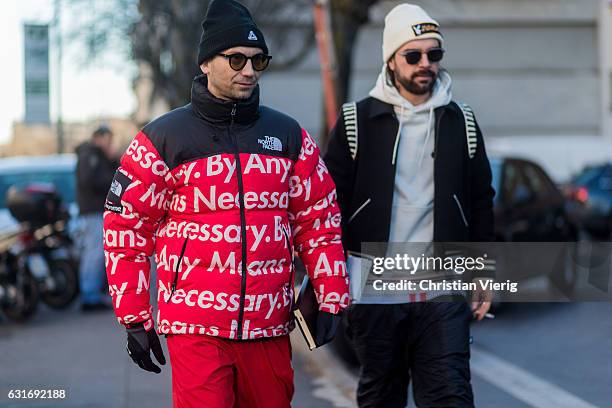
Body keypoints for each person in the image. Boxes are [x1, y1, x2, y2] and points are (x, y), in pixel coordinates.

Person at [103, 1, 349, 407]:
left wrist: (331, 295)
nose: (249, 70)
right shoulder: (162, 139)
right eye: (236, 59)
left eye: (258, 60)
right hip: (195, 326)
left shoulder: (288, 136)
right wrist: (134, 317)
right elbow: (125, 229)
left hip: (268, 326)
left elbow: (319, 220)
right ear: (206, 63)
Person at [325, 4, 496, 408]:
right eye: (413, 55)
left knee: (450, 395)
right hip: (374, 292)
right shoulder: (356, 122)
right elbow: (329, 209)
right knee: (381, 395)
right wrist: (332, 282)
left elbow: (481, 201)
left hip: (443, 288)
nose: (426, 64)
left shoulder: (462, 122)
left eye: (434, 54)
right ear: (391, 58)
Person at [75, 125, 117, 312]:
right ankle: (89, 295)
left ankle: (94, 293)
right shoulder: (89, 156)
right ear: (97, 138)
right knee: (94, 253)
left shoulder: (100, 157)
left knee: (98, 253)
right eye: (106, 138)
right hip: (93, 211)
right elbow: (90, 181)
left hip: (99, 210)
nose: (109, 142)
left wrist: (111, 159)